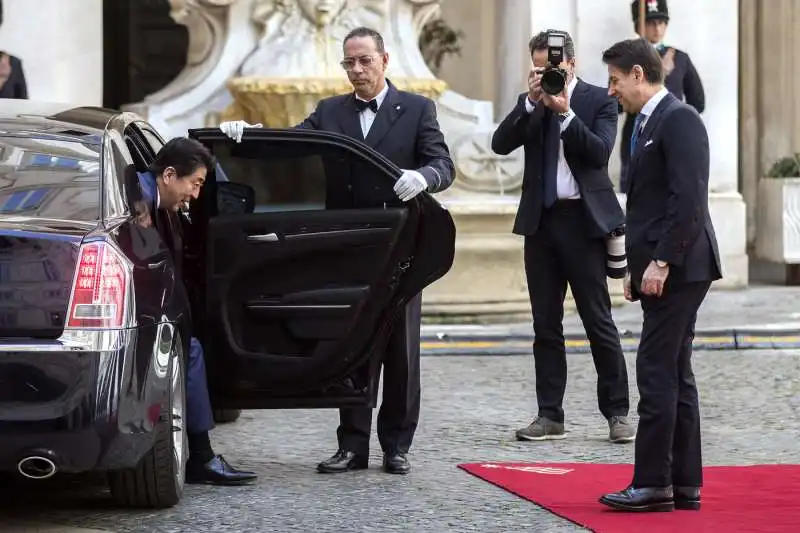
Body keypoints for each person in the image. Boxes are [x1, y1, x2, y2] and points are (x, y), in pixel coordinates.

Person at [220, 26, 455, 475]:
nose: (357, 70)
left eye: (365, 60)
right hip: (348, 246)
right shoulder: (330, 111)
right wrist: (244, 135)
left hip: (402, 245)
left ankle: (397, 446)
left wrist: (425, 177)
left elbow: (443, 163)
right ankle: (352, 446)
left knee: (401, 351)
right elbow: (289, 148)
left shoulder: (418, 109)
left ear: (385, 60)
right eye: (349, 62)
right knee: (352, 345)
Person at [491, 30, 634, 444]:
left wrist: (566, 113)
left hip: (583, 223)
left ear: (570, 64)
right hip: (542, 223)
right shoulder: (532, 103)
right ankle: (549, 414)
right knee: (545, 325)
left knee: (597, 319)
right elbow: (501, 144)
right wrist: (529, 102)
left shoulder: (597, 99)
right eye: (537, 69)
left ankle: (617, 413)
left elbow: (598, 153)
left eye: (551, 68)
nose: (545, 74)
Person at [599, 38, 721, 512]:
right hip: (662, 263)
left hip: (682, 266)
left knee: (655, 369)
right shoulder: (645, 122)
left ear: (637, 74)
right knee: (674, 370)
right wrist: (634, 265)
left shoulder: (680, 118)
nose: (612, 91)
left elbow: (687, 199)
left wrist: (663, 261)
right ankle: (684, 483)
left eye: (614, 80)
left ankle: (653, 483)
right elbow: (646, 205)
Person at [137, 137, 258, 486]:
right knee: (189, 351)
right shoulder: (137, 204)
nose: (196, 194)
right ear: (170, 174)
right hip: (138, 317)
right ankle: (202, 457)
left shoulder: (157, 200)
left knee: (192, 348)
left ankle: (202, 455)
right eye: (196, 183)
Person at [619, 0, 704, 189]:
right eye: (650, 23)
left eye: (661, 22)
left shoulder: (680, 58)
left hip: (672, 136)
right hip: (638, 136)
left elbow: (698, 102)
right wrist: (658, 73)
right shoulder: (627, 60)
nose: (657, 28)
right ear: (639, 25)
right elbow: (615, 103)